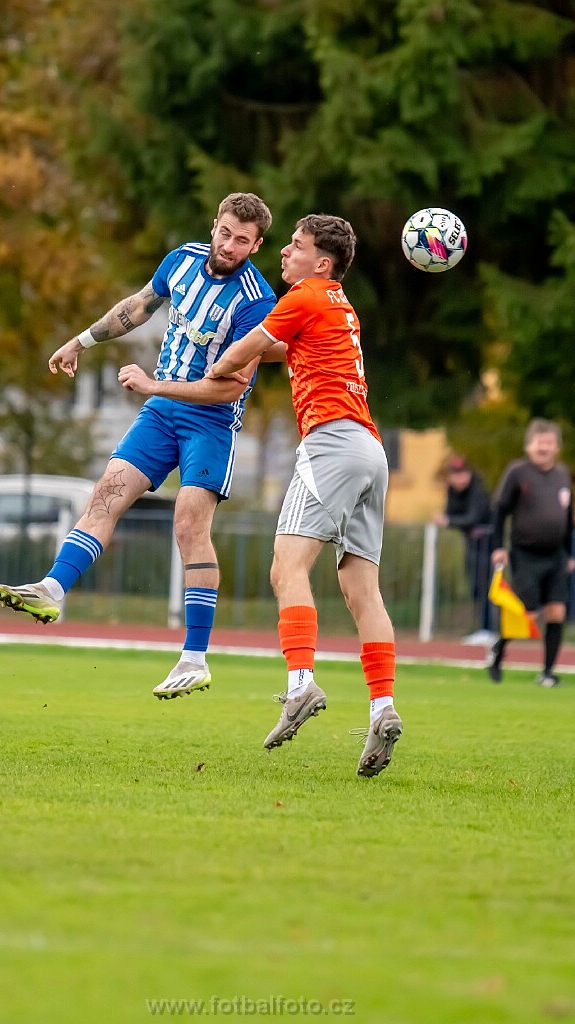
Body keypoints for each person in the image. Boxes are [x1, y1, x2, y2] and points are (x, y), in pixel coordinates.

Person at [126, 214, 400, 775]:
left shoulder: (305, 296)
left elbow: (234, 358)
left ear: (322, 262)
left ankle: (300, 685)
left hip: (331, 443)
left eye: (295, 246)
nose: (284, 253)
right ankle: (383, 708)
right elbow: (281, 349)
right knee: (362, 589)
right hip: (371, 451)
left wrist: (181, 376)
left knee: (286, 567)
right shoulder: (340, 305)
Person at [0, 192, 279, 699]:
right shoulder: (182, 260)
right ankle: (51, 589)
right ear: (214, 225)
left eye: (242, 240)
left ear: (256, 246)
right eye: (225, 233)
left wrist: (153, 385)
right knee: (106, 493)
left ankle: (194, 658)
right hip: (160, 413)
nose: (230, 246)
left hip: (211, 422)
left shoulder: (256, 300)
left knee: (189, 525)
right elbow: (138, 307)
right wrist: (80, 340)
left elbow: (231, 388)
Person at [487, 419, 575, 687]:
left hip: (556, 555)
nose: (544, 448)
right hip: (525, 554)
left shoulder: (562, 474)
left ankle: (547, 673)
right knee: (527, 614)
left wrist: (570, 553)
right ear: (529, 446)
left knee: (557, 612)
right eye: (539, 442)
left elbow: (568, 516)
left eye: (549, 443)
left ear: (557, 447)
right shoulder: (518, 472)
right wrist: (498, 546)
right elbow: (500, 511)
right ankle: (498, 651)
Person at [433, 454, 493, 642]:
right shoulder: (453, 491)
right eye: (455, 475)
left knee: (485, 586)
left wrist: (449, 521)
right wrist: (452, 520)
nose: (459, 479)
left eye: (462, 474)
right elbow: (451, 513)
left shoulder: (478, 491)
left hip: (488, 545)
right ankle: (482, 628)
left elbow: (472, 518)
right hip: (471, 544)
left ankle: (488, 628)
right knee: (474, 585)